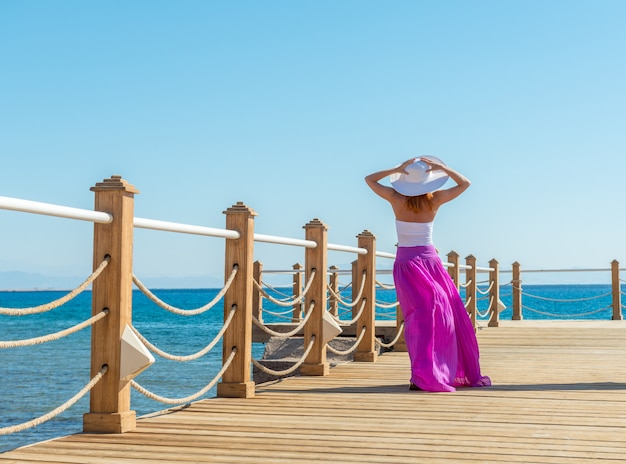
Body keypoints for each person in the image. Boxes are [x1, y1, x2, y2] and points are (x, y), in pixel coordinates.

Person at [365, 156, 491, 392]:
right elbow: (465, 184)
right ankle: (431, 372)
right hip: (429, 261)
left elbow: (368, 179)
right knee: (443, 315)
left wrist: (396, 169)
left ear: (405, 181)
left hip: (407, 262)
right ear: (429, 182)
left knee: (419, 320)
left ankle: (422, 374)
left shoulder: (395, 198)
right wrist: (443, 168)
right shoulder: (436, 200)